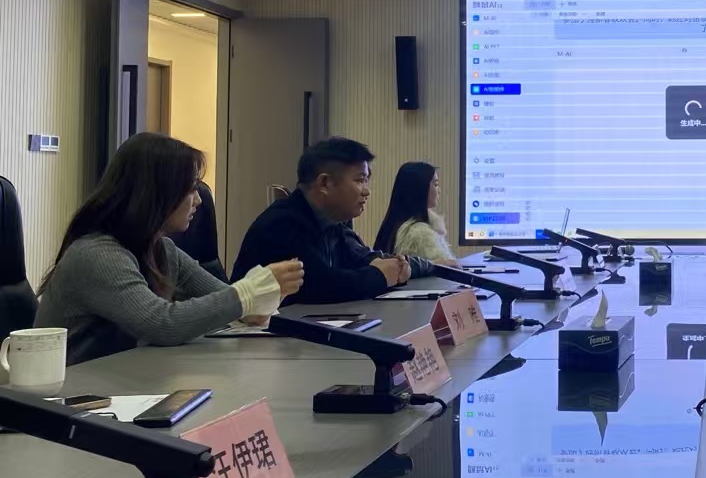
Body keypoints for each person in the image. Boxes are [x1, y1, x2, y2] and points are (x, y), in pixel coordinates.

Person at [35, 133, 304, 365]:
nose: (198, 200)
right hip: (71, 398)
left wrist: (256, 302)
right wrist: (247, 294)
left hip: (124, 383)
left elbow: (225, 300)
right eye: (191, 189)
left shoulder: (162, 249)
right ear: (156, 194)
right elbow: (163, 324)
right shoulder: (96, 255)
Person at [232, 137, 438, 304]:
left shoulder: (333, 222)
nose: (366, 191)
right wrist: (380, 275)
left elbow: (361, 258)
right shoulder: (282, 224)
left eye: (366, 180)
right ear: (325, 183)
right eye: (359, 180)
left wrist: (398, 266)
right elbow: (322, 286)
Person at [374, 162, 457, 265]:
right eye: (435, 185)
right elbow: (447, 270)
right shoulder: (420, 234)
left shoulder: (396, 224)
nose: (439, 191)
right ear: (420, 188)